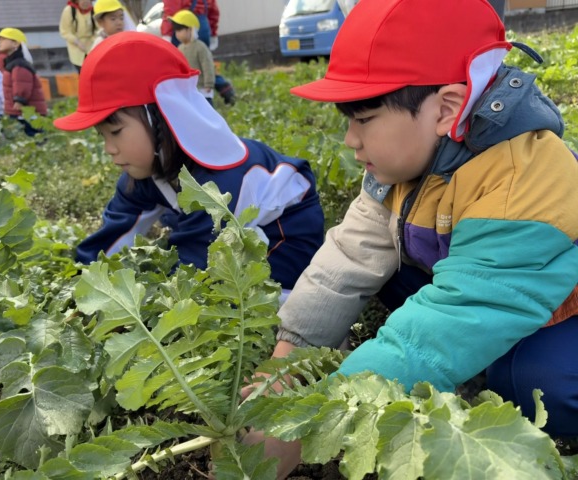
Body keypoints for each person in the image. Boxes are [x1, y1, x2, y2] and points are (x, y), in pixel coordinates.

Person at [244, 0, 578, 475]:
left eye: (363, 119)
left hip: (558, 308)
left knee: (535, 387)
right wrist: (286, 363)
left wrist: (319, 416)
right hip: (479, 283)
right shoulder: (406, 161)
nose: (350, 139)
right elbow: (346, 260)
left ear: (447, 108)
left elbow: (457, 314)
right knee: (381, 273)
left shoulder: (519, 179)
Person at [53, 32, 325, 297]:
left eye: (115, 132)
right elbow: (110, 239)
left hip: (286, 233)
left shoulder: (217, 183)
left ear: (162, 117)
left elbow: (193, 270)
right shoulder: (142, 173)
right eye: (102, 136)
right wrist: (80, 284)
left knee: (245, 298)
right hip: (227, 233)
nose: (109, 148)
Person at [162, 0, 236, 105]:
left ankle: (197, 91)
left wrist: (167, 34)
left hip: (183, 22)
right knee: (204, 62)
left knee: (186, 64)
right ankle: (224, 88)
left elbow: (171, 8)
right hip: (203, 24)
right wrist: (213, 32)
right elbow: (213, 11)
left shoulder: (180, 35)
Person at [0, 28, 47, 137]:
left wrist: (19, 100)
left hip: (26, 111)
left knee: (34, 138)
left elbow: (22, 84)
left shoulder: (19, 64)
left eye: (3, 39)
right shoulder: (13, 63)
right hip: (23, 111)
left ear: (15, 43)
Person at [170, 10, 215, 106]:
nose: (176, 34)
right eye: (175, 31)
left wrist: (209, 84)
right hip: (188, 90)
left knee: (205, 110)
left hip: (203, 89)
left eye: (179, 30)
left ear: (190, 30)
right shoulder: (179, 48)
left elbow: (207, 65)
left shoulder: (200, 47)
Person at [59, 0, 97, 72]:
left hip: (92, 47)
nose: (85, 1)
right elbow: (65, 31)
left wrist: (94, 40)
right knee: (83, 72)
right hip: (76, 50)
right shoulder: (69, 10)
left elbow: (100, 28)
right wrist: (77, 42)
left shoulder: (95, 10)